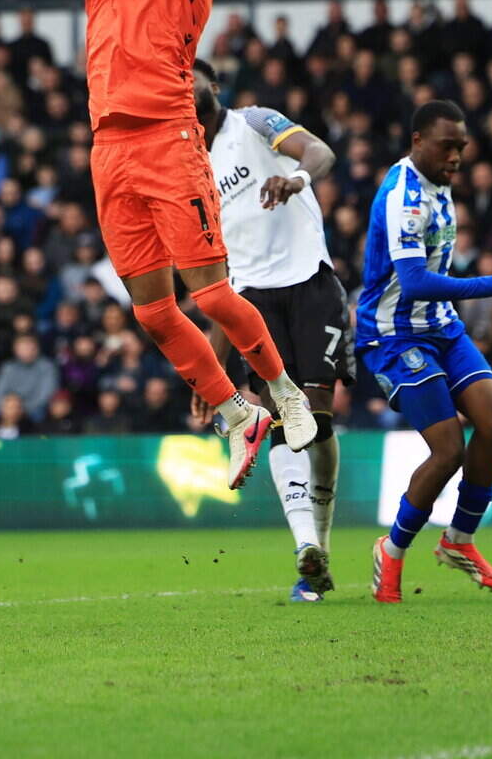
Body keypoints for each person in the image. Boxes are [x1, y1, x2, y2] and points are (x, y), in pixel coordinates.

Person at [45, 0, 316, 489]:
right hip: (110, 151)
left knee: (211, 294)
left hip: (168, 141)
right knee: (151, 310)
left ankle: (281, 390)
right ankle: (238, 413)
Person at [357, 100, 492, 603]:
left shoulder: (437, 183)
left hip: (442, 327)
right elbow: (411, 282)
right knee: (449, 448)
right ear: (417, 141)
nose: (457, 155)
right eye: (447, 146)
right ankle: (391, 551)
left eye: (461, 147)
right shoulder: (403, 196)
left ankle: (459, 541)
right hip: (393, 334)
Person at [190, 59, 347, 602]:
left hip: (310, 281)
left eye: (189, 76)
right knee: (284, 422)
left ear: (212, 85)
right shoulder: (188, 166)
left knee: (319, 424)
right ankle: (307, 553)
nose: (182, 86)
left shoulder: (256, 122)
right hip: (251, 302)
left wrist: (296, 178)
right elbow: (214, 276)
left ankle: (319, 543)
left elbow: (322, 153)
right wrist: (207, 369)